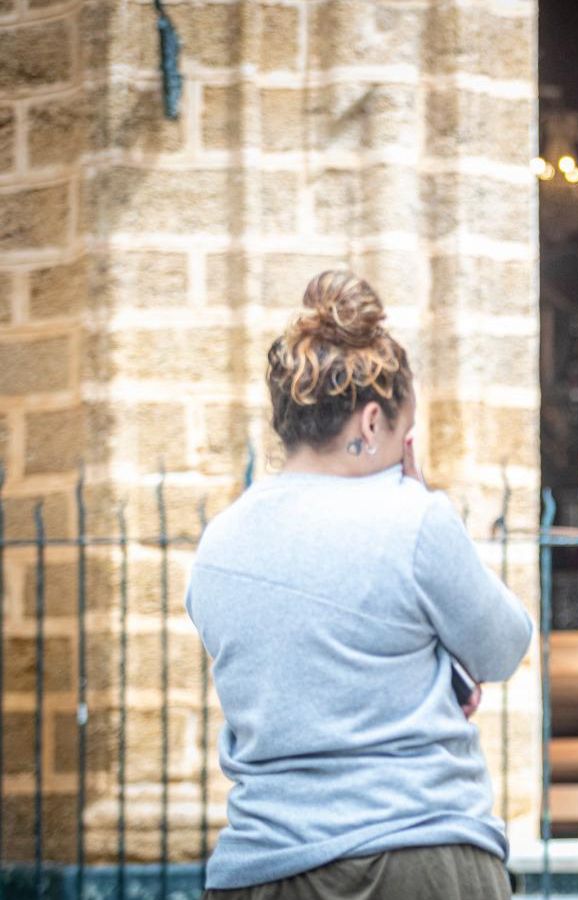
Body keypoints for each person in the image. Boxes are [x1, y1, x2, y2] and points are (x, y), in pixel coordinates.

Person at [188, 271, 533, 900]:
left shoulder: (220, 542)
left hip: (262, 863)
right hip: (414, 854)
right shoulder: (413, 519)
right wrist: (423, 497)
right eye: (406, 434)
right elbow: (504, 646)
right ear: (371, 423)